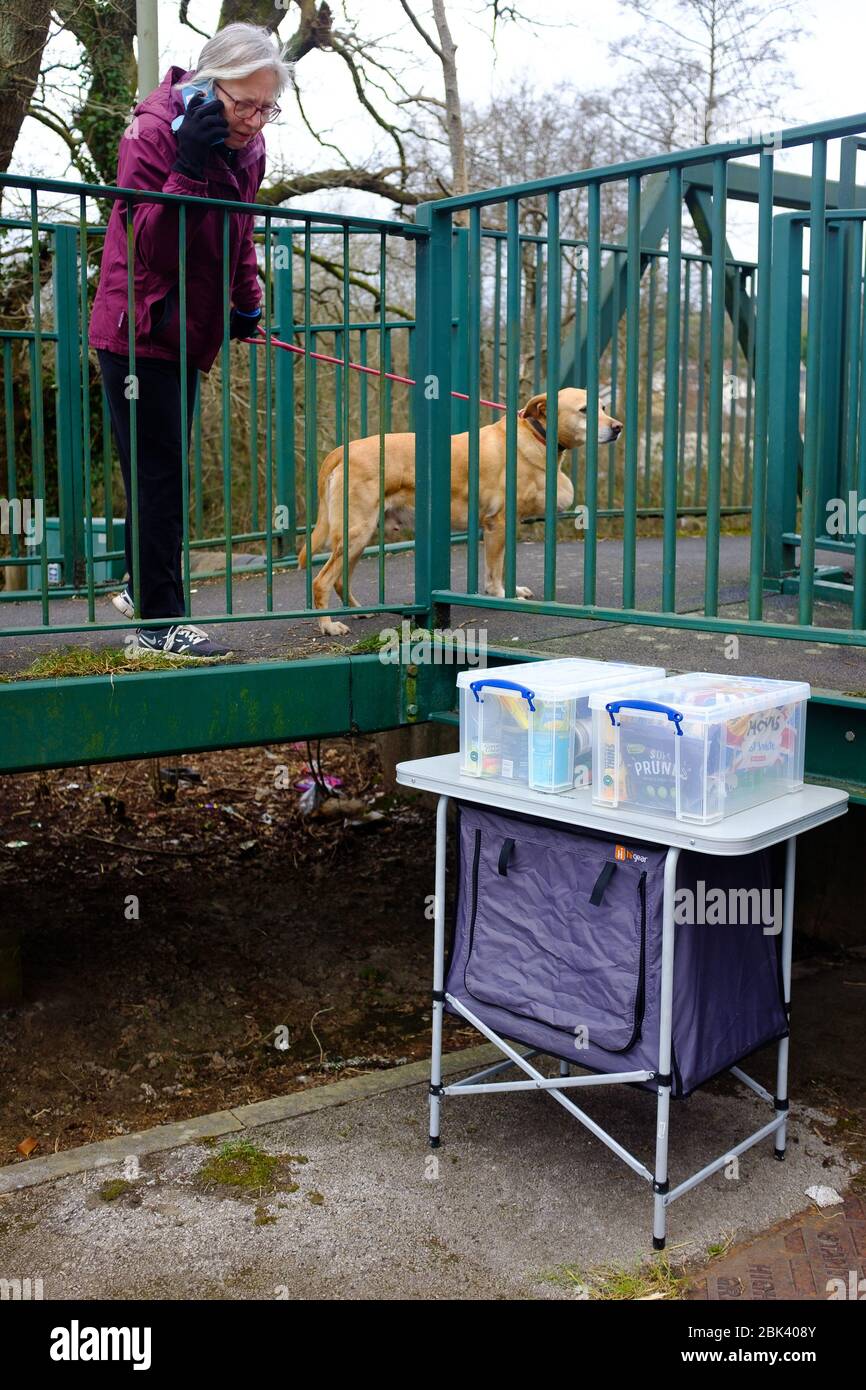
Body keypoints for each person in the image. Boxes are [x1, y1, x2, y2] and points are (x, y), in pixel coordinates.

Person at [89, 23, 291, 658]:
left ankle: (140, 588)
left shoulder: (247, 149)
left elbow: (239, 230)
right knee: (158, 473)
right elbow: (148, 243)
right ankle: (158, 626)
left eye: (268, 107)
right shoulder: (151, 130)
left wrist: (246, 302)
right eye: (245, 104)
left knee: (163, 467)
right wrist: (187, 164)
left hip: (189, 331)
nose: (256, 121)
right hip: (139, 325)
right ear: (211, 85)